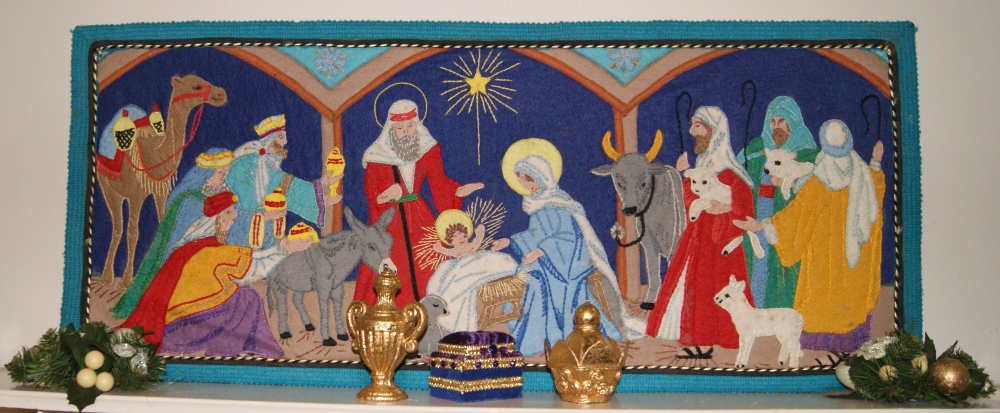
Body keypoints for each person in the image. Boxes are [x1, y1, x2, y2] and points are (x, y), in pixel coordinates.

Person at [734, 120, 884, 353]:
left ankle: (820, 344)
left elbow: (794, 217)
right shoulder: (861, 173)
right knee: (848, 302)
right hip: (852, 259)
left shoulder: (818, 181)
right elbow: (875, 194)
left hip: (821, 260)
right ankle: (850, 343)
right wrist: (875, 163)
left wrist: (763, 225)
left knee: (821, 299)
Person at [118, 192, 312, 357]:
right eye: (228, 212)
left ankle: (232, 349)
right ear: (215, 219)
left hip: (181, 319)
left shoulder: (197, 245)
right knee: (247, 297)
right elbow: (252, 271)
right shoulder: (208, 250)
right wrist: (285, 251)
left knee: (242, 296)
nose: (234, 217)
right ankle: (226, 350)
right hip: (182, 325)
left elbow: (252, 256)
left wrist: (280, 249)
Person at [497, 149, 639, 356]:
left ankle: (552, 337)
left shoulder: (559, 202)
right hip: (549, 259)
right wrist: (510, 240)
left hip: (568, 261)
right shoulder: (536, 203)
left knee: (536, 281)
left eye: (526, 181)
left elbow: (567, 237)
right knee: (525, 275)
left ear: (537, 178)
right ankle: (539, 333)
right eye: (521, 182)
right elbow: (536, 233)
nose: (524, 187)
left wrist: (539, 252)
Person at [645, 106, 755, 359]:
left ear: (713, 130)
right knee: (696, 285)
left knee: (713, 285)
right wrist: (686, 175)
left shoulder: (729, 170)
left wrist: (726, 209)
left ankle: (708, 341)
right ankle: (696, 337)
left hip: (720, 241)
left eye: (697, 125)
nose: (692, 131)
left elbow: (745, 209)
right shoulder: (703, 164)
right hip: (698, 237)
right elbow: (691, 202)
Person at [357, 99, 484, 307]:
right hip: (391, 220)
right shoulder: (376, 157)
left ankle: (437, 310)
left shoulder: (427, 148)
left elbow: (439, 183)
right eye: (400, 128)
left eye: (410, 126)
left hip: (419, 216)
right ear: (391, 129)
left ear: (417, 124)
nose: (406, 132)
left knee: (431, 260)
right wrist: (387, 195)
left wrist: (457, 192)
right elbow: (373, 197)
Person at [112, 148, 235, 319]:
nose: (224, 174)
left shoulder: (227, 193)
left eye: (226, 171)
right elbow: (178, 235)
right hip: (185, 252)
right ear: (209, 171)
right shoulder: (190, 199)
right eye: (220, 171)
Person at [736, 96, 819, 308]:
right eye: (772, 122)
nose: (776, 127)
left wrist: (789, 184)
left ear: (792, 122)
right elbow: (736, 175)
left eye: (781, 121)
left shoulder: (808, 154)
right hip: (757, 216)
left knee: (785, 273)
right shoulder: (755, 149)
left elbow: (814, 192)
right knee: (755, 265)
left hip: (789, 225)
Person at [225, 114, 341, 250]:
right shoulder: (247, 163)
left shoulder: (267, 164)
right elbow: (286, 189)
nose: (285, 142)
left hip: (267, 224)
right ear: (270, 140)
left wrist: (320, 190)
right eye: (281, 137)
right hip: (243, 222)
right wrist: (319, 190)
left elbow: (288, 191)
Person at [425, 209, 517, 334]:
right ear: (450, 240)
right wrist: (440, 248)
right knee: (449, 279)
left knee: (493, 263)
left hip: (476, 262)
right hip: (462, 267)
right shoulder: (455, 251)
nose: (460, 238)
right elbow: (447, 251)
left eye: (462, 235)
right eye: (456, 237)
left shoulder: (470, 246)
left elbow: (477, 242)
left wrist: (480, 233)